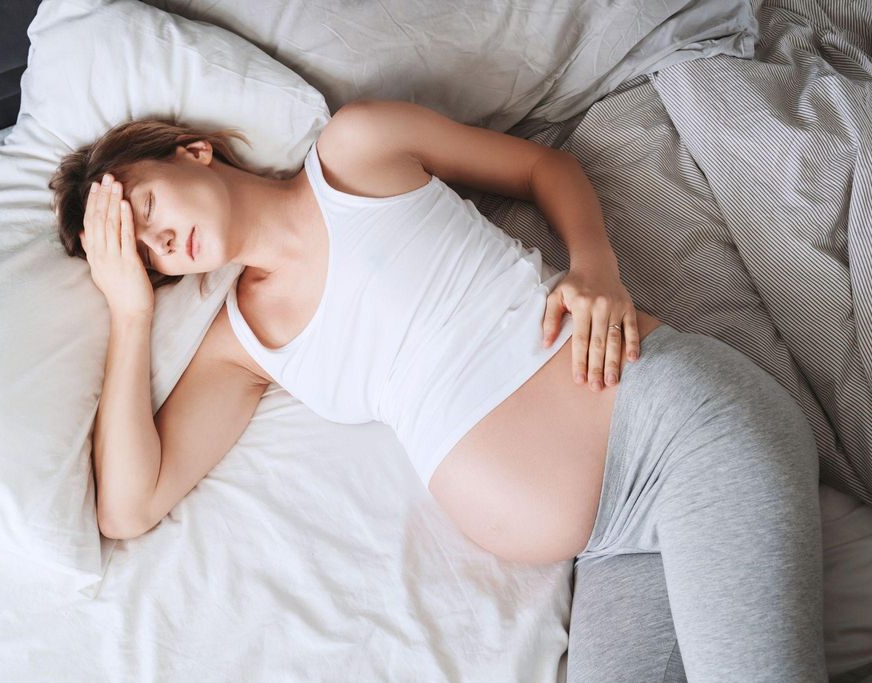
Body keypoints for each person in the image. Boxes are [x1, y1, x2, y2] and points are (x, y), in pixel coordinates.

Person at [49, 100, 827, 681]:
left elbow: (540, 166)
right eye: (146, 254)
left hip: (681, 437)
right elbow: (128, 503)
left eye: (147, 206)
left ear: (194, 153)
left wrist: (595, 267)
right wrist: (130, 310)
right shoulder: (243, 345)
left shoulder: (354, 152)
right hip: (611, 545)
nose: (162, 241)